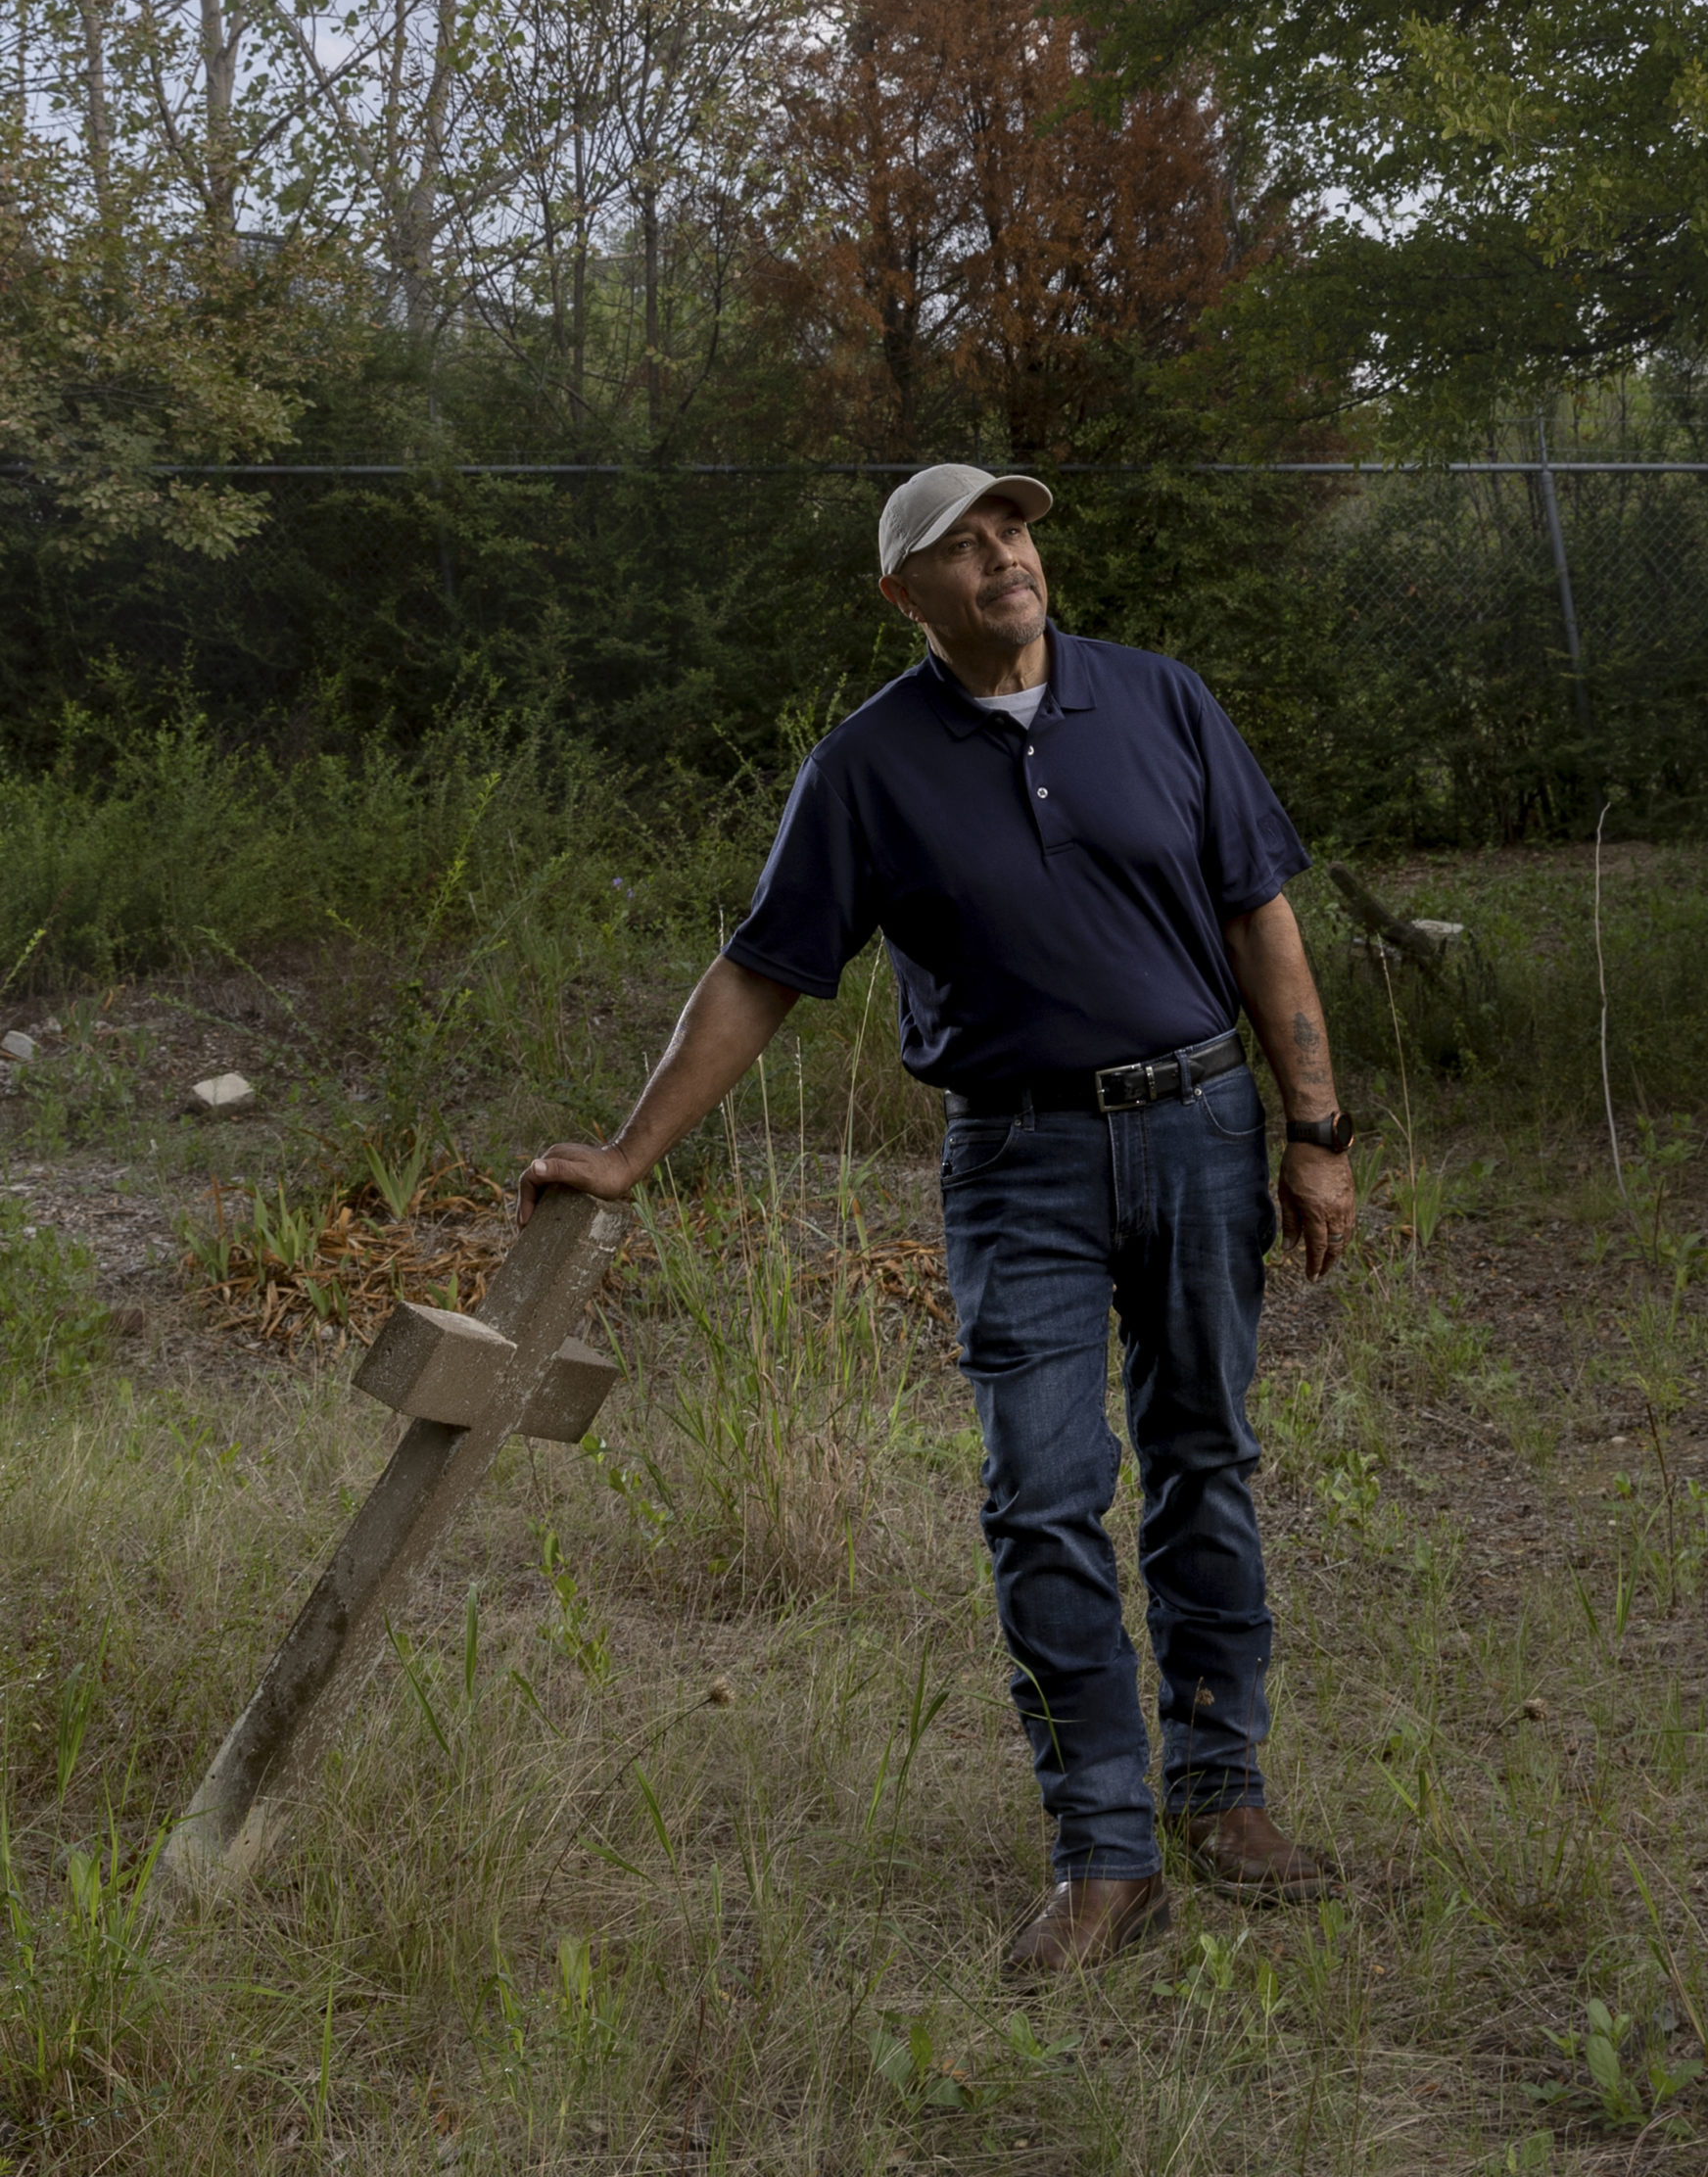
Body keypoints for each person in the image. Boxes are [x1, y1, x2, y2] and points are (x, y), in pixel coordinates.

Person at [518, 461, 1357, 1972]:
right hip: (1016, 1161)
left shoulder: (1161, 701)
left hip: (1199, 1128)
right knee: (1038, 1496)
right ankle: (1102, 1856)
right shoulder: (865, 769)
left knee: (1202, 1463)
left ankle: (1222, 1796)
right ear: (901, 596)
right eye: (960, 551)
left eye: (1013, 532)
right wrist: (632, 1154)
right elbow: (763, 968)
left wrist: (1315, 1131)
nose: (1002, 562)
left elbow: (1259, 916)